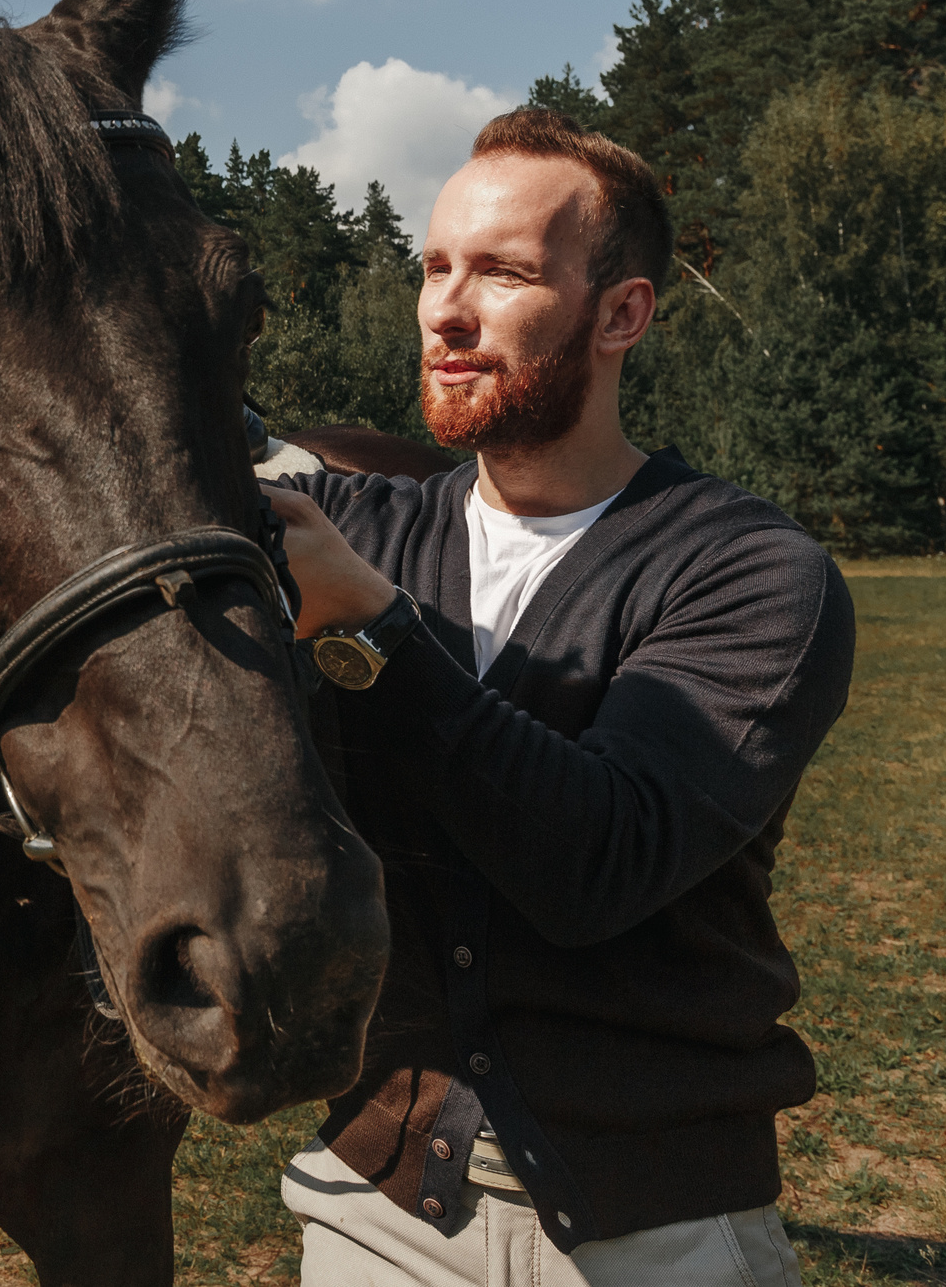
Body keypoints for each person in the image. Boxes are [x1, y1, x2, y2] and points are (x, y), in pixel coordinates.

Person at [258, 107, 856, 1287]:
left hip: (659, 1226)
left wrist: (375, 631)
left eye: (504, 273)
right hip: (379, 1209)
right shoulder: (354, 524)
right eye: (433, 268)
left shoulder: (749, 572)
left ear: (621, 313)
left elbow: (598, 863)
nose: (445, 309)